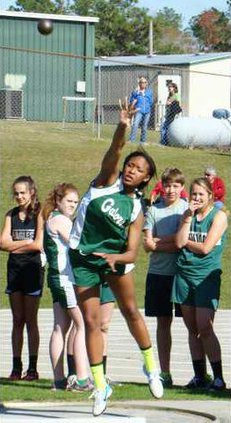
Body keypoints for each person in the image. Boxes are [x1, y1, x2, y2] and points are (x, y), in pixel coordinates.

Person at [69, 100, 163, 417]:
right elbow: (114, 151)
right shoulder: (105, 181)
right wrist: (123, 126)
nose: (131, 170)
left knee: (131, 310)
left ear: (146, 179)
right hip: (83, 257)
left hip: (115, 260)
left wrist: (115, 256)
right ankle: (100, 386)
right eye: (130, 165)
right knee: (92, 322)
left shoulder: (136, 208)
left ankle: (151, 366)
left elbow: (132, 251)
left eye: (139, 169)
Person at [172, 177, 228, 391]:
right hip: (184, 274)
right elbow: (178, 243)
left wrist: (185, 241)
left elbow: (206, 248)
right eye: (194, 194)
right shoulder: (187, 215)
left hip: (206, 277)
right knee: (191, 328)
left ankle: (219, 377)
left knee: (205, 326)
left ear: (210, 196)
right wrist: (187, 218)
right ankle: (199, 375)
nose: (196, 198)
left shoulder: (219, 216)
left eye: (201, 194)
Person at [42, 183, 93, 392]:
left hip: (57, 277)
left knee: (60, 327)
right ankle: (81, 379)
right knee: (82, 325)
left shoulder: (54, 218)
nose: (73, 205)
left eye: (75, 201)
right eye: (69, 201)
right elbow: (77, 243)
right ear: (58, 201)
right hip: (64, 278)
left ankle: (59, 380)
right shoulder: (60, 220)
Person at [143, 168, 188, 387]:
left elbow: (183, 242)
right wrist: (172, 242)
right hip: (158, 274)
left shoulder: (185, 209)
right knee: (163, 323)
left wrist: (161, 242)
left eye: (175, 186)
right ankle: (165, 371)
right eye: (167, 185)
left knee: (192, 324)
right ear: (162, 186)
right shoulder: (154, 210)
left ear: (182, 188)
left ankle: (200, 373)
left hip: (181, 274)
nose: (171, 190)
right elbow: (147, 245)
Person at [0, 175, 44, 381]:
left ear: (31, 192)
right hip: (14, 271)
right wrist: (25, 243)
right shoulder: (11, 215)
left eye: (23, 193)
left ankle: (32, 368)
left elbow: (38, 245)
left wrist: (15, 245)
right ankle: (16, 367)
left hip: (33, 271)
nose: (19, 196)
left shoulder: (39, 213)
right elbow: (2, 243)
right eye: (16, 193)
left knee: (30, 320)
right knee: (17, 320)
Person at [129, 76, 153, 145]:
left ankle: (143, 141)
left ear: (146, 84)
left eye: (145, 82)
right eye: (142, 82)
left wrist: (143, 94)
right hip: (139, 110)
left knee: (144, 126)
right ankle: (132, 140)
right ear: (139, 83)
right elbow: (131, 100)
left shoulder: (149, 91)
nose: (143, 84)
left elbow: (151, 101)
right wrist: (135, 97)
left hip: (147, 111)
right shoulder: (135, 92)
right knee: (135, 124)